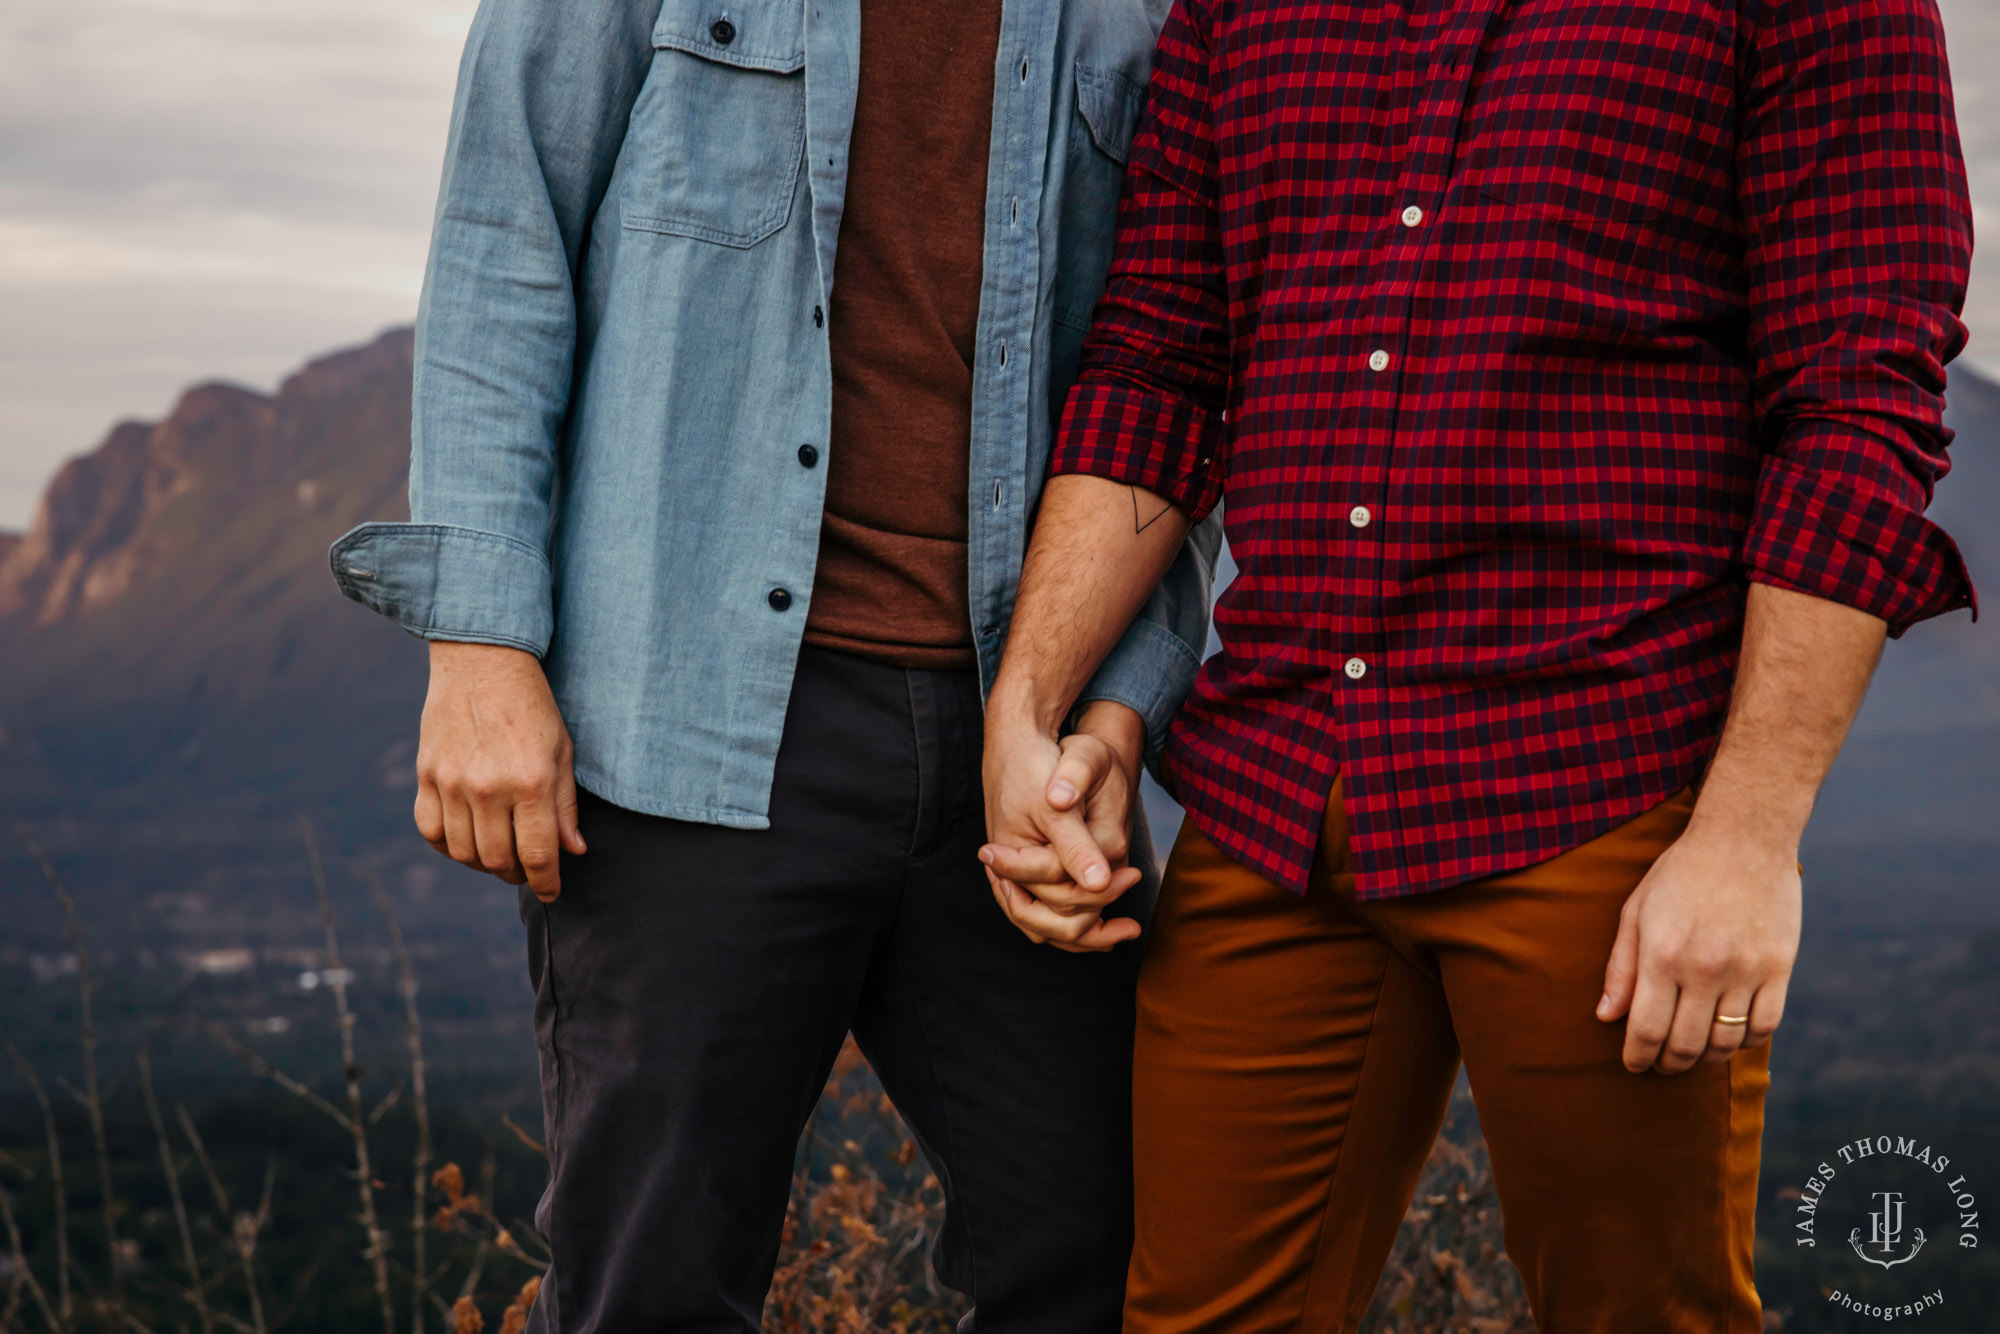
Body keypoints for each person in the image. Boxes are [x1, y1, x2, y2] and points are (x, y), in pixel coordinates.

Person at [979, 0, 1975, 1329]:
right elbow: (1162, 356)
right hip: (1275, 793)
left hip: (1599, 793)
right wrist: (1028, 710)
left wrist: (1746, 836)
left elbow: (1856, 403)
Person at [327, 0, 1218, 1327]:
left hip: (1017, 741)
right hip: (690, 730)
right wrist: (480, 647)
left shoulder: (1139, 11)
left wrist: (1120, 705)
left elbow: (1166, 363)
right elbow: (503, 245)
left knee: (1105, 1260)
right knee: (655, 1280)